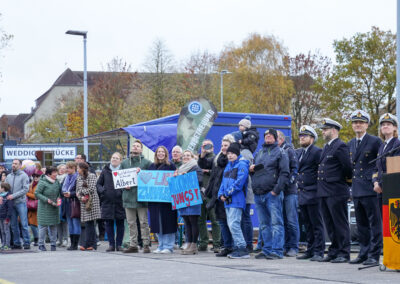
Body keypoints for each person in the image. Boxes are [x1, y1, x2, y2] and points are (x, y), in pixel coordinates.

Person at [347, 110, 382, 266]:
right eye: (355, 122)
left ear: (367, 124)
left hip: (370, 187)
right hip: (357, 189)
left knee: (374, 223)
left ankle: (374, 255)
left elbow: (379, 163)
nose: (358, 125)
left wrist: (376, 181)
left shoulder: (375, 141)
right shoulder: (350, 143)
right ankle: (364, 252)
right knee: (361, 224)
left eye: (361, 122)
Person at [251, 129, 289, 260]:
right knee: (264, 224)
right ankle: (266, 249)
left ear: (275, 138)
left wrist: (276, 191)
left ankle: (277, 250)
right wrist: (251, 170)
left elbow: (285, 173)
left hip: (272, 194)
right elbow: (255, 171)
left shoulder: (281, 152)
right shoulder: (259, 153)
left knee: (276, 223)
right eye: (266, 135)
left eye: (270, 135)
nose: (268, 137)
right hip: (258, 193)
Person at [318, 118, 352, 263]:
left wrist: (343, 183)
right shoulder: (326, 147)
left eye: (325, 129)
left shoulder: (340, 146)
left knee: (340, 223)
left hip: (336, 190)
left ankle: (344, 252)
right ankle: (334, 250)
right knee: (330, 223)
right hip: (324, 191)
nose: (323, 132)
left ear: (333, 130)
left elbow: (348, 168)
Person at [295, 126, 325, 261]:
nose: (302, 138)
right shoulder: (301, 152)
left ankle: (319, 250)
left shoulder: (317, 151)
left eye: (305, 136)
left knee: (316, 223)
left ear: (312, 138)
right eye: (301, 136)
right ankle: (311, 248)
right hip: (302, 192)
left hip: (313, 192)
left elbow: (321, 171)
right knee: (307, 224)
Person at [203, 134, 235, 257]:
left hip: (227, 195)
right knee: (222, 221)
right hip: (217, 194)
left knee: (230, 222)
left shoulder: (231, 160)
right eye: (222, 145)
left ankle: (232, 246)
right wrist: (203, 154)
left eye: (226, 145)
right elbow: (204, 164)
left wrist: (225, 193)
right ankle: (226, 246)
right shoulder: (218, 158)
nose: (223, 148)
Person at [218, 142, 250, 259]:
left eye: (233, 153)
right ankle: (237, 247)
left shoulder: (242, 164)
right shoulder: (229, 165)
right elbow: (223, 181)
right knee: (231, 225)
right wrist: (220, 193)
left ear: (237, 153)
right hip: (228, 201)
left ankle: (242, 248)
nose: (230, 155)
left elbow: (239, 182)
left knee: (234, 224)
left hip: (236, 200)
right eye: (229, 153)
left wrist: (226, 193)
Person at [120, 140, 152, 253]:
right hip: (128, 197)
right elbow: (119, 179)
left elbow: (151, 178)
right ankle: (133, 244)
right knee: (131, 222)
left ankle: (146, 244)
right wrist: (124, 186)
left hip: (141, 197)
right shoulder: (124, 163)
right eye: (134, 146)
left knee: (143, 222)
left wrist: (142, 173)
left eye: (138, 146)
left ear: (141, 149)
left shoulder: (147, 163)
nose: (135, 147)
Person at [147, 146, 177, 254]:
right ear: (156, 154)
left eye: (162, 152)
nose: (160, 153)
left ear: (165, 154)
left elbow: (174, 181)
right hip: (155, 201)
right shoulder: (152, 166)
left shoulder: (171, 166)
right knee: (157, 223)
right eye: (158, 152)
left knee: (168, 223)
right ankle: (160, 245)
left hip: (167, 201)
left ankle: (169, 246)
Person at [96, 152, 126, 252]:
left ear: (120, 160)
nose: (114, 159)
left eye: (117, 158)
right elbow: (98, 184)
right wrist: (103, 192)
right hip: (107, 201)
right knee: (108, 223)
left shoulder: (123, 171)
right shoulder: (105, 171)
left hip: (120, 201)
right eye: (113, 158)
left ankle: (119, 244)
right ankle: (111, 245)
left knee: (120, 224)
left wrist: (122, 191)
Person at [277, 130, 300, 257]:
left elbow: (295, 169)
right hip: (281, 190)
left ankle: (294, 247)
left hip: (290, 191)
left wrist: (288, 183)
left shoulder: (289, 150)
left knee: (291, 220)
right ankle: (286, 246)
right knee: (284, 220)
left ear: (280, 139)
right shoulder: (277, 151)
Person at [176, 150, 203, 255]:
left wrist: (187, 176)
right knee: (186, 222)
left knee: (193, 221)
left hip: (193, 198)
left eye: (188, 155)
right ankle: (188, 242)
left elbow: (200, 181)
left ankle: (193, 244)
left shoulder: (196, 168)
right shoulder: (180, 169)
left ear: (192, 157)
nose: (186, 157)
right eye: (184, 156)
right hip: (183, 198)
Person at [372, 113, 400, 211]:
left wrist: (381, 184)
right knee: (384, 222)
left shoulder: (397, 144)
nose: (385, 126)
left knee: (393, 222)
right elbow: (376, 168)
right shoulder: (382, 147)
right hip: (380, 191)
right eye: (383, 125)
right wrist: (375, 182)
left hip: (392, 189)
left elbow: (395, 169)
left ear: (395, 128)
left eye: (388, 124)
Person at [197, 139, 221, 252]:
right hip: (200, 192)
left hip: (211, 193)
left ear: (213, 147)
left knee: (214, 219)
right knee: (200, 220)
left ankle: (216, 243)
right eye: (204, 146)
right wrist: (202, 154)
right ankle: (203, 242)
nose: (206, 148)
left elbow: (219, 173)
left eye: (208, 146)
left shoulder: (216, 158)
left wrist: (208, 171)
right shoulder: (199, 159)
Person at [239, 128, 259, 253]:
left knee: (245, 217)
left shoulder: (245, 153)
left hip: (245, 190)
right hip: (244, 190)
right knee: (243, 217)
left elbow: (245, 173)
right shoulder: (246, 152)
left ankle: (248, 244)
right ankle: (246, 243)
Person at [5, 159, 30, 249]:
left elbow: (25, 189)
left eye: (16, 164)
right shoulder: (9, 176)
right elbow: (5, 188)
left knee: (24, 224)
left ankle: (27, 242)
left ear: (20, 166)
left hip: (21, 203)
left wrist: (13, 196)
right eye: (13, 163)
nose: (13, 165)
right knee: (13, 225)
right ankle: (17, 243)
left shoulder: (24, 176)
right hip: (11, 204)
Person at [35, 166, 61, 251]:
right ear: (49, 174)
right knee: (43, 227)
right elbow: (37, 193)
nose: (56, 174)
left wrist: (58, 198)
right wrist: (47, 200)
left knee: (53, 226)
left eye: (56, 172)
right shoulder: (42, 182)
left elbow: (59, 193)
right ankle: (41, 244)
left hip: (54, 207)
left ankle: (53, 244)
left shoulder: (57, 182)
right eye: (54, 173)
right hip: (44, 208)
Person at [76, 162, 101, 251]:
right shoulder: (78, 177)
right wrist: (80, 197)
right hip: (83, 203)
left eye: (78, 168)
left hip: (92, 202)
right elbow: (77, 191)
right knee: (88, 223)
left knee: (90, 223)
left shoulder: (92, 176)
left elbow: (91, 188)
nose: (77, 170)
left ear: (83, 169)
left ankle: (89, 244)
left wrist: (82, 191)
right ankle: (91, 244)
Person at [62, 161, 80, 251]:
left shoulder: (78, 178)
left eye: (68, 168)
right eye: (66, 168)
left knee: (75, 223)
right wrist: (64, 193)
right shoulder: (66, 178)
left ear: (73, 168)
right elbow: (62, 189)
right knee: (70, 225)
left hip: (75, 203)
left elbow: (79, 191)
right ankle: (72, 243)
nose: (66, 169)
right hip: (67, 203)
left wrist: (70, 194)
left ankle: (75, 244)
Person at [26, 170, 43, 247]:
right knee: (31, 224)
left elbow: (36, 195)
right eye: (34, 176)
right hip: (30, 206)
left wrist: (27, 193)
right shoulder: (31, 184)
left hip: (38, 206)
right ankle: (36, 239)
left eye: (37, 176)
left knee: (36, 224)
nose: (35, 178)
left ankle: (38, 239)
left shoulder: (41, 184)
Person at [56, 164, 68, 247]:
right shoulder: (55, 179)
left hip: (64, 201)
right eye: (61, 168)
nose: (62, 170)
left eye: (64, 169)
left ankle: (65, 239)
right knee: (57, 221)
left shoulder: (67, 178)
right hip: (56, 201)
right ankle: (59, 239)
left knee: (64, 221)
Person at [0, 182, 12, 250]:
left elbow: (10, 208)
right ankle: (3, 243)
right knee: (2, 231)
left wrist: (8, 217)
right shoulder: (0, 196)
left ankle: (7, 245)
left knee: (6, 230)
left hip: (5, 217)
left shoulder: (8, 197)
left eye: (0, 187)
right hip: (0, 216)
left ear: (3, 188)